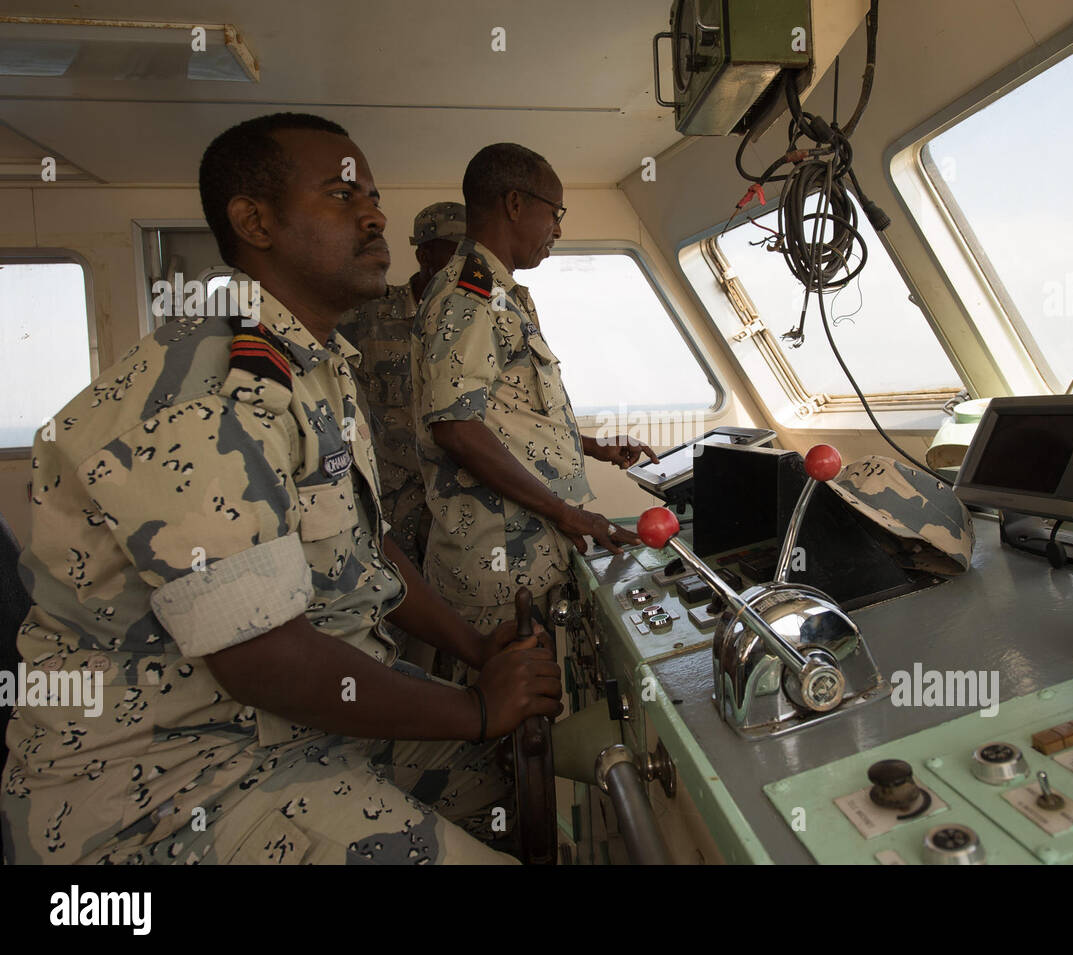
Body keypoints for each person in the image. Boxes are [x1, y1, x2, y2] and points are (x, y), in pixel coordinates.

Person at [0, 113, 561, 865]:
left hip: (294, 725)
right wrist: (477, 704)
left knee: (501, 788)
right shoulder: (209, 387)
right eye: (341, 195)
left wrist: (475, 646)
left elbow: (370, 545)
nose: (374, 215)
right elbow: (260, 657)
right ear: (254, 221)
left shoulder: (315, 364)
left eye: (374, 198)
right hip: (179, 785)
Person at [410, 143, 659, 679]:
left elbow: (511, 413)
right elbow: (455, 427)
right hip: (496, 562)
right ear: (516, 204)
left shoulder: (503, 295)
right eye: (556, 212)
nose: (559, 229)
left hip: (528, 548)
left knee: (531, 723)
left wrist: (593, 447)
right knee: (498, 727)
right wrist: (566, 512)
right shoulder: (469, 296)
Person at [336, 202, 465, 571]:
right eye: (455, 250)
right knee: (394, 592)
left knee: (453, 596)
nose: (465, 262)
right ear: (425, 253)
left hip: (456, 492)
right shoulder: (367, 312)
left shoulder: (473, 322)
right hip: (388, 494)